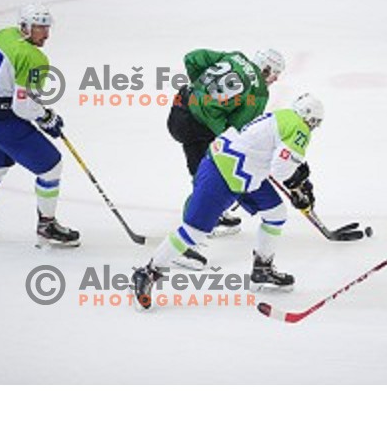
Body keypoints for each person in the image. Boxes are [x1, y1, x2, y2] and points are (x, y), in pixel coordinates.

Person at [132, 93, 325, 310]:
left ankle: (262, 270)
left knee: (276, 213)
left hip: (241, 168)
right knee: (194, 232)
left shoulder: (284, 115)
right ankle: (148, 272)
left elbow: (276, 159)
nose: (313, 127)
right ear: (310, 118)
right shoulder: (300, 128)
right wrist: (297, 185)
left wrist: (299, 181)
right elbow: (281, 170)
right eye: (315, 123)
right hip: (224, 173)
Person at [0, 4, 80, 247]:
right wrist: (47, 118)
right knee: (51, 166)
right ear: (24, 27)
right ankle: (47, 225)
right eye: (38, 28)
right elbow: (23, 107)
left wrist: (6, 80)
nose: (45, 34)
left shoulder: (4, 34)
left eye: (46, 27)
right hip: (2, 123)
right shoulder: (35, 58)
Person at [167, 48, 285, 240]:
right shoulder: (259, 92)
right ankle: (191, 234)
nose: (276, 79)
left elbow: (191, 58)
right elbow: (239, 129)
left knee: (200, 168)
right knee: (210, 177)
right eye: (275, 73)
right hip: (199, 127)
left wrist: (201, 92)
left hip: (179, 111)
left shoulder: (235, 56)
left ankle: (211, 215)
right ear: (265, 68)